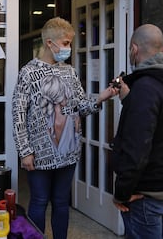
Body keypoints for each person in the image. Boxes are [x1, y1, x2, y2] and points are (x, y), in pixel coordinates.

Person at [12, 17, 117, 239]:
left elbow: (80, 106)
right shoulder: (28, 73)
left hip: (68, 152)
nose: (68, 48)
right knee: (39, 202)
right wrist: (25, 151)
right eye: (66, 43)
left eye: (70, 43)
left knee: (61, 203)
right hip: (39, 154)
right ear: (50, 43)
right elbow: (18, 113)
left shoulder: (70, 72)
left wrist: (100, 98)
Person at [111, 24, 163, 239]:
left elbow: (136, 149)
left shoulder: (145, 88)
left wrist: (121, 192)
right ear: (162, 50)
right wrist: (130, 101)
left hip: (144, 194)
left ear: (134, 49)